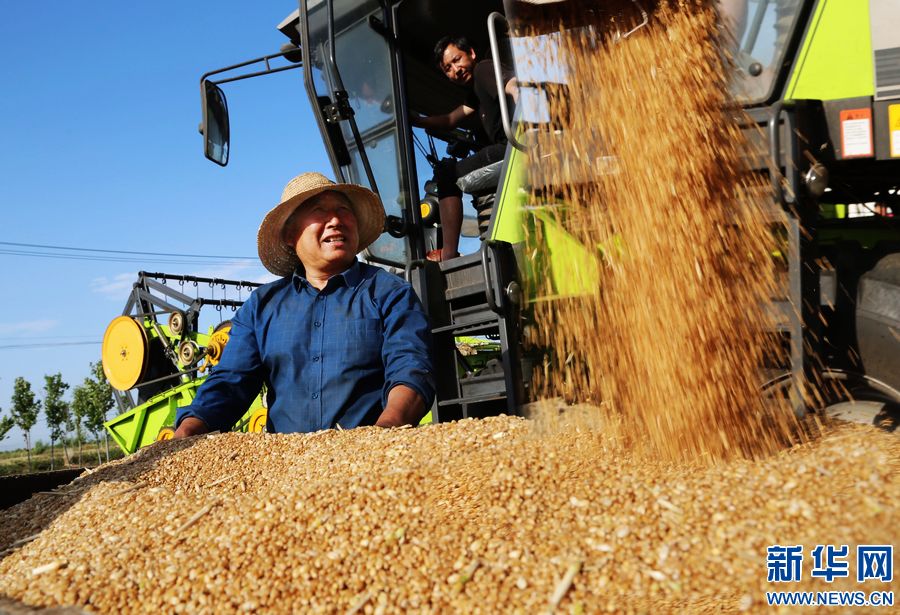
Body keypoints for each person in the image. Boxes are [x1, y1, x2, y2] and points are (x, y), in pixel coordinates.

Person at [174, 172, 435, 437]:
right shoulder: (261, 307)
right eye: (319, 211)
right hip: (289, 467)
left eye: (344, 210)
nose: (335, 220)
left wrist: (386, 431)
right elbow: (231, 382)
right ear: (290, 234)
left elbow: (410, 366)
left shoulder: (389, 293)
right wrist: (189, 429)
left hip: (367, 461)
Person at [412, 36, 518, 262]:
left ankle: (449, 251)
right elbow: (452, 119)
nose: (455, 70)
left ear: (471, 53)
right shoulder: (475, 93)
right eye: (448, 69)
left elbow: (510, 84)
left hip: (510, 147)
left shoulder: (484, 70)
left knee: (446, 174)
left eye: (457, 60)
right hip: (508, 147)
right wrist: (420, 121)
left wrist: (523, 98)